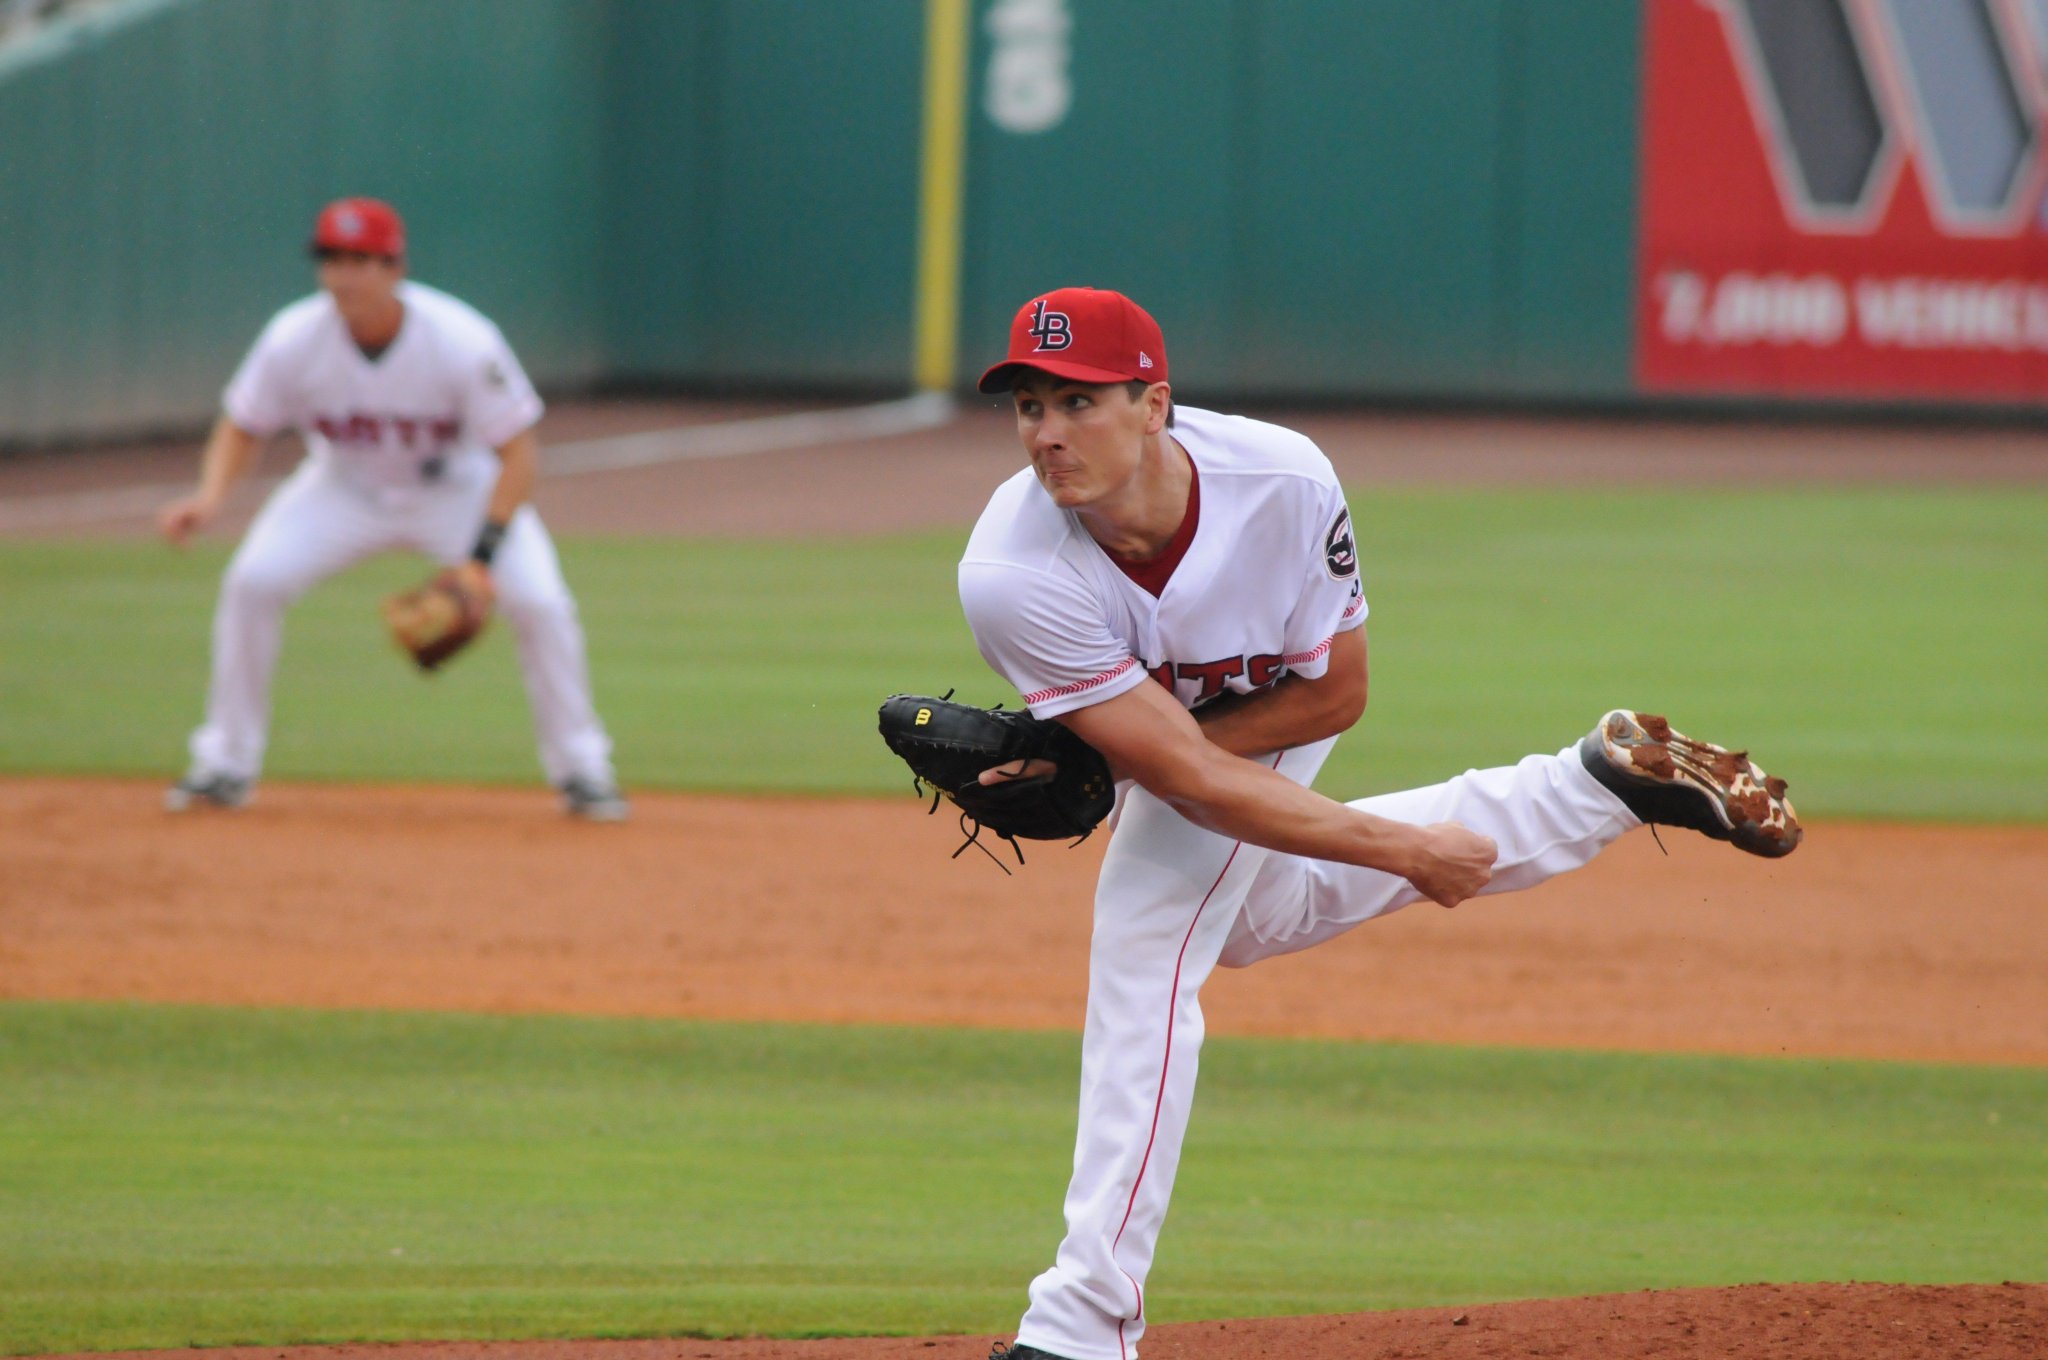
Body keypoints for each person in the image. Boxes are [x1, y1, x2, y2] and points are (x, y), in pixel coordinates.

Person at [963, 288, 1800, 1360]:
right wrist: (1143, 762)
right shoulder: (1010, 573)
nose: (1045, 432)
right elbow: (1179, 773)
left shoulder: (1284, 481)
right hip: (1189, 745)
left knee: (1148, 932)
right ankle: (1592, 785)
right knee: (1250, 917)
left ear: (1153, 403)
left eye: (1077, 402)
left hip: (1277, 708)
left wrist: (1370, 836)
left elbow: (1332, 694)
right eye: (1027, 404)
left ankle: (1077, 1325)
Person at [157, 197, 626, 821]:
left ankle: (582, 770)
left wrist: (482, 556)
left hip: (457, 492)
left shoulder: (461, 338)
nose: (345, 274)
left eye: (361, 259)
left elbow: (519, 453)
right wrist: (211, 496)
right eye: (332, 258)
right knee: (252, 581)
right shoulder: (293, 338)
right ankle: (225, 764)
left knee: (541, 603)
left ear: (395, 266)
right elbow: (244, 423)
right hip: (341, 489)